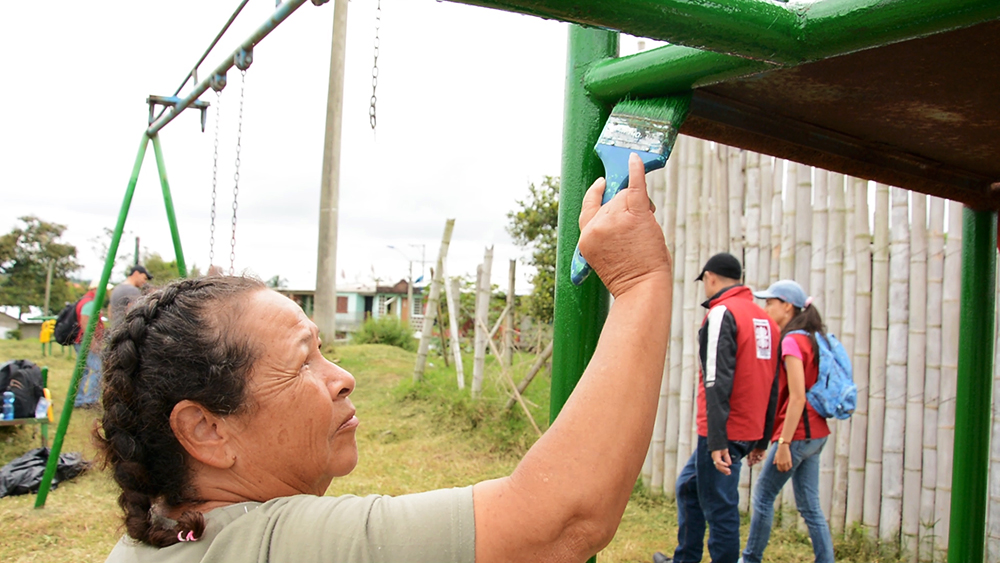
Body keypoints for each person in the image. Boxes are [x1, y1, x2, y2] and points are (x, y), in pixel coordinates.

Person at [98, 153, 675, 563]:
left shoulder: (162, 538)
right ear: (205, 428)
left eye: (324, 352)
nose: (343, 379)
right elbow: (558, 522)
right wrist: (638, 279)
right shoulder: (271, 544)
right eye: (303, 362)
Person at [654, 253, 779, 563]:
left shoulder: (723, 312)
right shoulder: (765, 320)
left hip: (723, 431)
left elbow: (715, 379)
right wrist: (762, 438)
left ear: (710, 277)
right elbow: (774, 383)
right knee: (688, 487)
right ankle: (685, 559)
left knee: (720, 508)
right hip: (746, 428)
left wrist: (717, 440)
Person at [741, 280, 835, 563]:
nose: (766, 308)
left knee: (763, 496)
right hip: (816, 434)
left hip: (796, 435)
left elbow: (796, 398)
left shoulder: (792, 341)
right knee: (810, 506)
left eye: (770, 302)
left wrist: (783, 443)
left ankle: (749, 559)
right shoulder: (812, 338)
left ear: (787, 306)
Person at [75, 280, 110, 408]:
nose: (105, 293)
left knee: (82, 371)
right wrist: (93, 342)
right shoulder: (90, 303)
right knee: (99, 369)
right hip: (87, 341)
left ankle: (78, 399)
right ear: (96, 289)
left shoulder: (84, 300)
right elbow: (85, 322)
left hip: (81, 341)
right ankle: (90, 400)